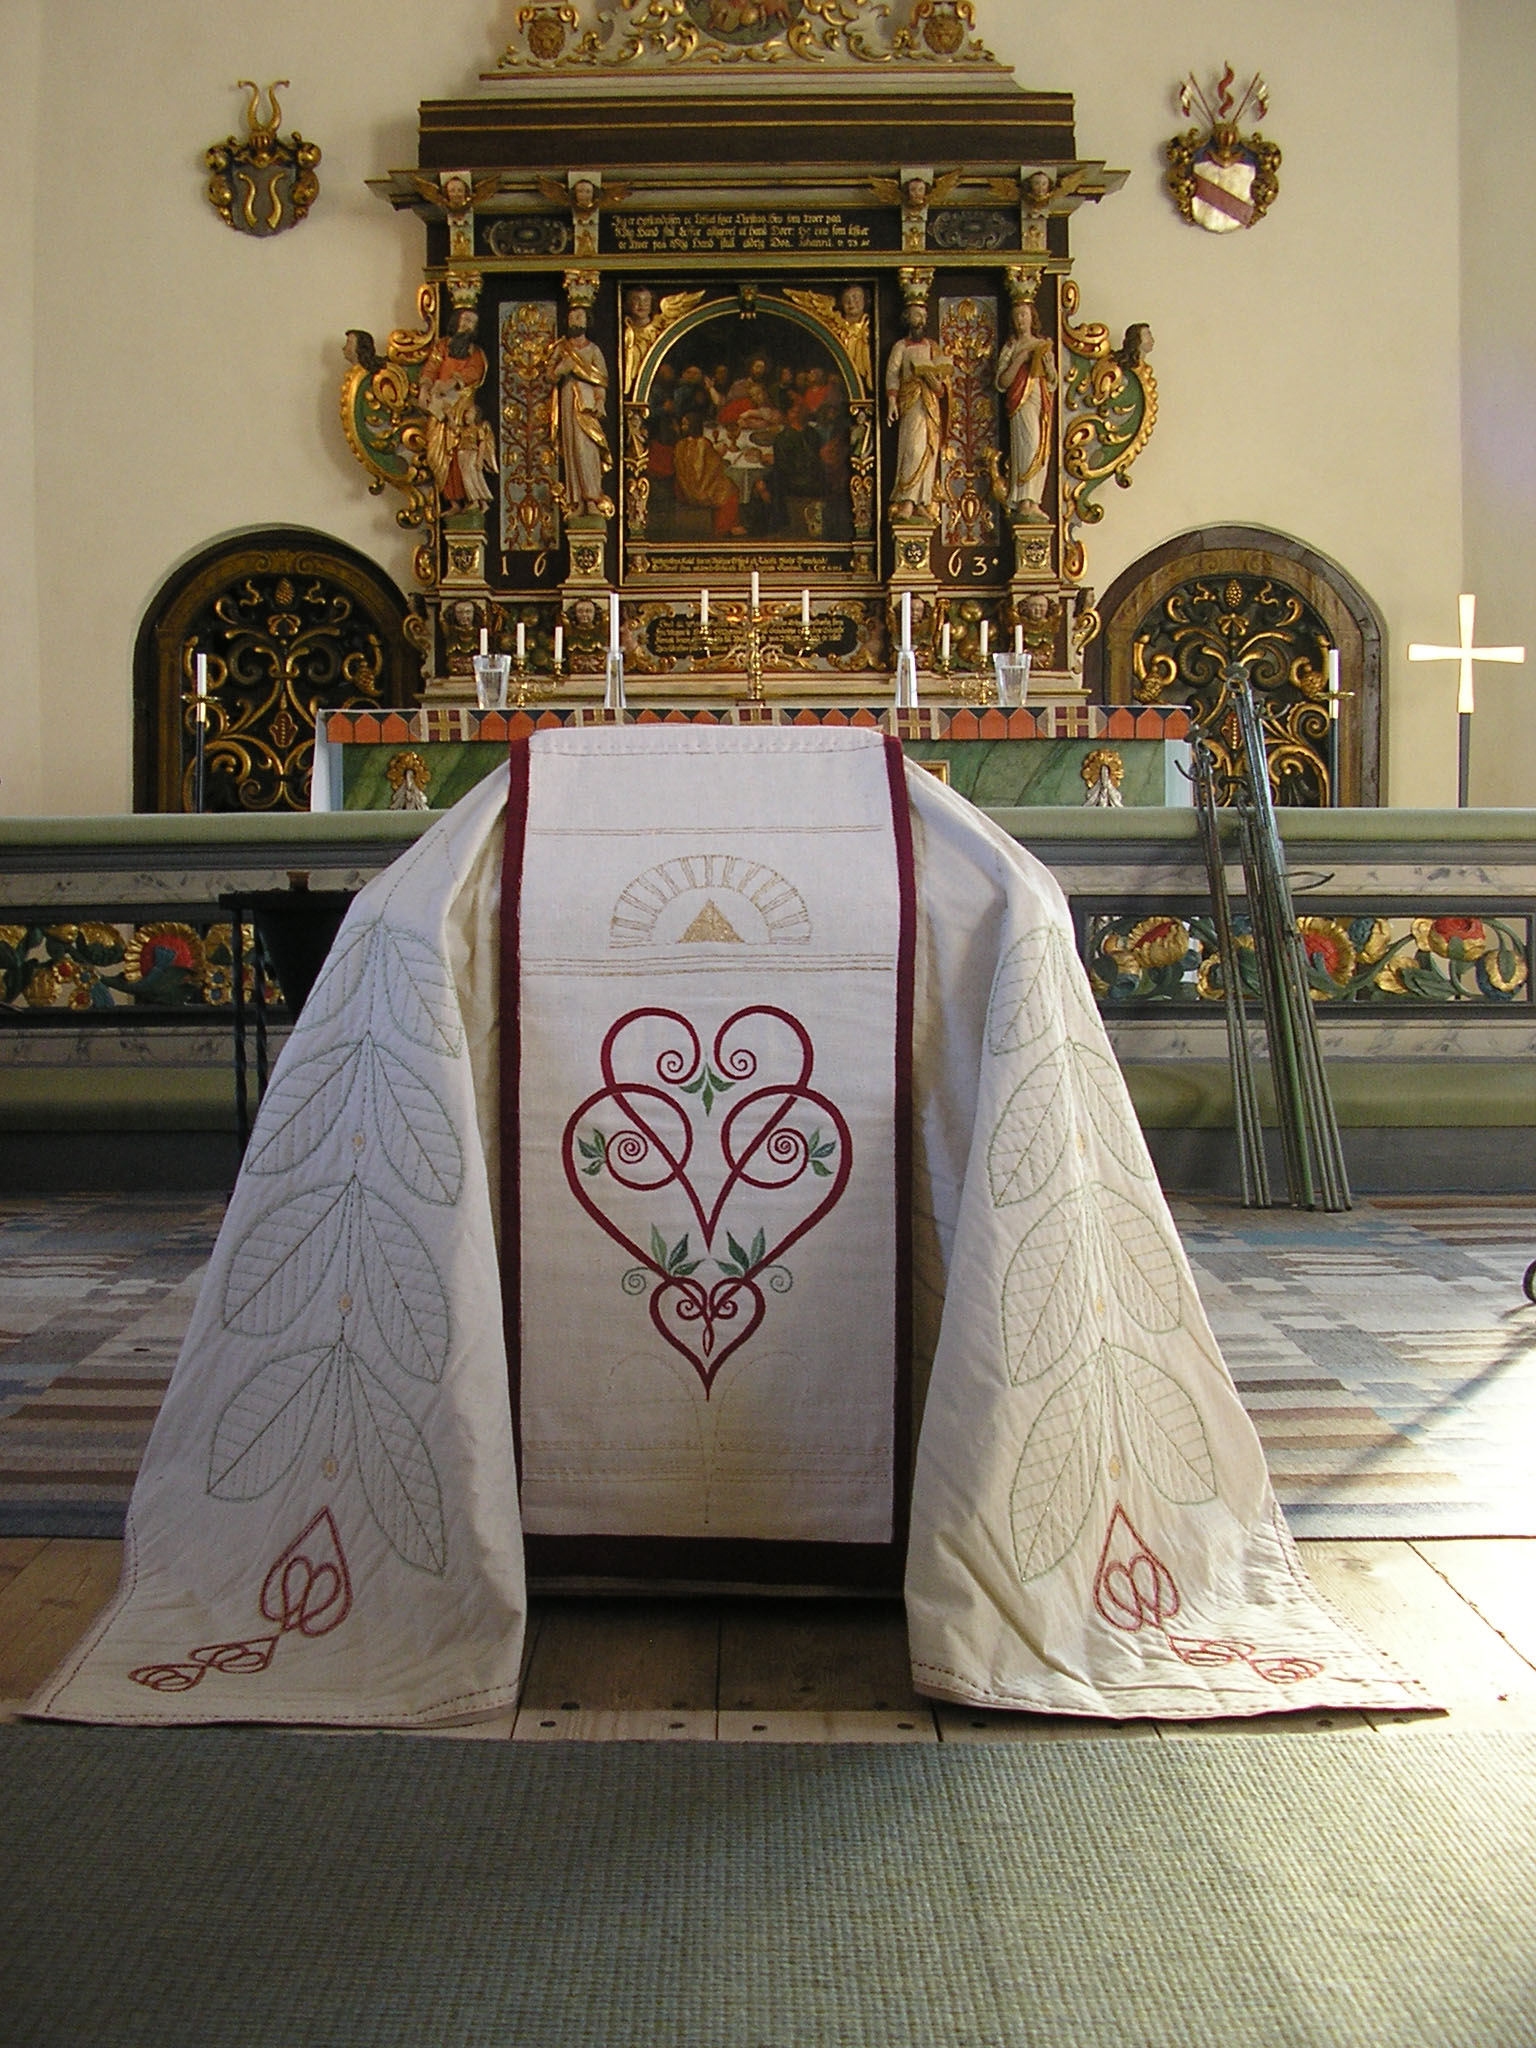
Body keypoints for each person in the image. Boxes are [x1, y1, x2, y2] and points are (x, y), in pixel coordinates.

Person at [416, 308, 496, 510]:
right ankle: (451, 502)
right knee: (437, 455)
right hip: (439, 408)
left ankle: (466, 500)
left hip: (460, 409)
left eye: (472, 322)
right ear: (456, 321)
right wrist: (424, 389)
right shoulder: (442, 346)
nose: (468, 325)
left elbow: (474, 371)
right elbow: (431, 368)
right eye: (466, 320)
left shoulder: (475, 353)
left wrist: (450, 383)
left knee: (460, 457)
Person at [884, 301, 952, 518]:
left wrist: (933, 378)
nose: (919, 320)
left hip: (930, 403)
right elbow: (892, 374)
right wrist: (892, 400)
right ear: (907, 319)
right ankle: (906, 499)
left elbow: (942, 383)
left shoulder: (932, 347)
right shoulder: (901, 347)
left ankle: (922, 499)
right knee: (912, 448)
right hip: (911, 401)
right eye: (915, 315)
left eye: (922, 316)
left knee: (929, 449)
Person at [995, 297, 1057, 520]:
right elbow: (1002, 382)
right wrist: (1020, 359)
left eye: (1024, 315)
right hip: (1019, 402)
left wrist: (1049, 367)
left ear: (1032, 318)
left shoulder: (1042, 344)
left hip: (1039, 400)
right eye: (1016, 317)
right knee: (1027, 447)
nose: (1020, 320)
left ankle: (1034, 500)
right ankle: (1022, 499)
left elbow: (1052, 381)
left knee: (1041, 448)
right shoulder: (1012, 347)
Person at [548, 307, 613, 516]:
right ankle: (577, 501)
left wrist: (600, 401)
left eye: (579, 316)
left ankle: (592, 497)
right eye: (571, 316)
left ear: (587, 321)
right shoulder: (562, 348)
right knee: (572, 449)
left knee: (587, 450)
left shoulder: (593, 350)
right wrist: (560, 370)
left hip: (587, 403)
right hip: (568, 399)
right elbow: (550, 375)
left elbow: (602, 379)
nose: (574, 320)